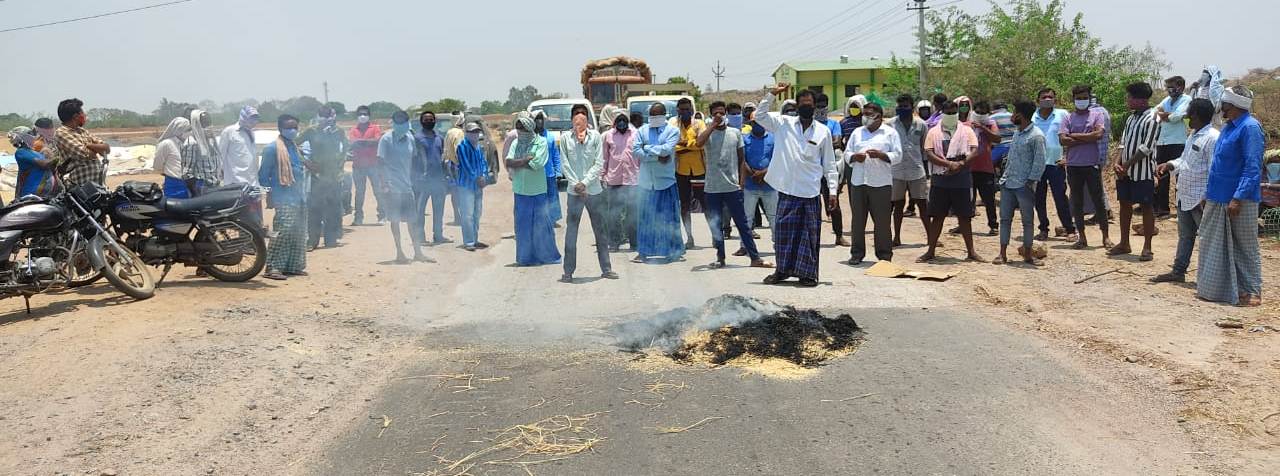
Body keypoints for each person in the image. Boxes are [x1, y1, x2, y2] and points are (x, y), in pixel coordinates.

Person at [755, 84, 836, 287]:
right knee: (783, 234)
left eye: (810, 104)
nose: (806, 107)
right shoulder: (783, 124)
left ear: (815, 106)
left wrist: (833, 191)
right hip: (787, 190)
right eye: (803, 104)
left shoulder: (823, 132)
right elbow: (759, 115)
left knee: (808, 236)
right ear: (797, 106)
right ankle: (782, 271)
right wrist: (772, 93)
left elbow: (830, 164)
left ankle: (807, 274)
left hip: (810, 191)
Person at [1196, 86, 1264, 306]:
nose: (1221, 109)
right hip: (1217, 195)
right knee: (1212, 243)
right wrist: (1208, 192)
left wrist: (1238, 197)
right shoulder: (1227, 128)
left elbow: (1252, 166)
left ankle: (1252, 292)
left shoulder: (1250, 128)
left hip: (1239, 199)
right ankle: (1216, 289)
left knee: (1244, 246)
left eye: (1224, 105)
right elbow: (1217, 164)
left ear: (1233, 105)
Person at [695, 101, 772, 269]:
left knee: (743, 224)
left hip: (732, 187)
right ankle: (720, 257)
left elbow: (741, 159)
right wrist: (712, 126)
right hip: (713, 188)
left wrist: (742, 183)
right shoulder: (707, 133)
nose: (719, 116)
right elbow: (698, 143)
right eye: (715, 113)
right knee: (716, 225)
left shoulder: (735, 133)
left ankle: (754, 257)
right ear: (711, 115)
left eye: (722, 113)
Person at [1151, 99, 1218, 283]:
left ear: (1196, 114)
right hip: (1185, 194)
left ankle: (1209, 278)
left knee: (1207, 239)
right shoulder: (1193, 135)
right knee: (1186, 236)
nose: (1187, 116)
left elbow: (1214, 169)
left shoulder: (1213, 137)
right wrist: (1170, 164)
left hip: (1200, 198)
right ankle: (1178, 271)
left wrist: (1207, 195)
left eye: (1190, 112)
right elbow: (1185, 160)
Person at [837, 102, 902, 265]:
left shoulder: (890, 133)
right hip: (859, 181)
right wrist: (854, 157)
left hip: (881, 183)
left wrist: (882, 155)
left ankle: (884, 255)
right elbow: (847, 153)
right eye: (863, 114)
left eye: (869, 114)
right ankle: (857, 254)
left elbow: (898, 155)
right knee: (858, 220)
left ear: (879, 116)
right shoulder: (857, 133)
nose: (865, 117)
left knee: (882, 221)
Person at [918, 100, 983, 263]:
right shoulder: (933, 132)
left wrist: (960, 164)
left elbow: (975, 150)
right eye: (948, 112)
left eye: (954, 112)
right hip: (940, 179)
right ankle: (931, 250)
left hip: (962, 178)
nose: (951, 115)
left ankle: (971, 252)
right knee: (937, 216)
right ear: (942, 113)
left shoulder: (966, 131)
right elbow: (929, 152)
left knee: (965, 217)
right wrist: (948, 164)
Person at [558, 105, 616, 281]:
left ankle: (606, 269)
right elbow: (564, 164)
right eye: (576, 114)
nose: (580, 117)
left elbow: (599, 163)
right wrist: (577, 184)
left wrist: (585, 183)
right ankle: (568, 272)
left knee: (600, 231)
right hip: (574, 192)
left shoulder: (596, 137)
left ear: (587, 119)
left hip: (594, 191)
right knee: (571, 232)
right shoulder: (566, 139)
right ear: (572, 119)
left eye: (583, 114)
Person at [1109, 82, 1161, 262]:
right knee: (1124, 204)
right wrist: (1117, 162)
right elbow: (1123, 143)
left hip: (1143, 172)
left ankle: (1147, 247)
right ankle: (1124, 243)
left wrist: (1127, 165)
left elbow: (1147, 147)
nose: (1127, 100)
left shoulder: (1153, 118)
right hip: (1125, 172)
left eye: (1130, 97)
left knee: (1146, 206)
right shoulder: (1131, 118)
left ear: (1140, 99)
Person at [993, 101, 1048, 266]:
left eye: (1014, 112)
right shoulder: (1017, 133)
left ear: (1021, 115)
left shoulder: (1036, 136)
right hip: (1008, 182)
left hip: (1024, 185)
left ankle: (1028, 254)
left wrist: (1030, 182)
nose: (1011, 116)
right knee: (1005, 220)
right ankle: (1002, 254)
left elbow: (1039, 162)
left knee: (1027, 221)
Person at [1059, 85, 1111, 249]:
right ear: (1073, 99)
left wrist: (1073, 136)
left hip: (1092, 164)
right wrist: (1087, 137)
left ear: (1090, 98)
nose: (1082, 100)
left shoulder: (1097, 115)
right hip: (1074, 165)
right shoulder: (1068, 117)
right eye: (1079, 98)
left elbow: (1098, 135)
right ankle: (1082, 237)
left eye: (1084, 97)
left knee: (1098, 201)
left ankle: (1106, 237)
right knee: (1077, 202)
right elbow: (1062, 140)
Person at [631, 103, 684, 263]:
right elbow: (636, 151)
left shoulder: (672, 131)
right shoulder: (642, 130)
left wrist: (647, 148)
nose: (654, 118)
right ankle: (644, 252)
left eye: (657, 115)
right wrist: (655, 155)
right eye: (651, 115)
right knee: (645, 219)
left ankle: (672, 251)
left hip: (666, 182)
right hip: (646, 183)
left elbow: (667, 150)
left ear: (664, 115)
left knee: (669, 218)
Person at [259, 115, 309, 280]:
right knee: (283, 232)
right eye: (289, 127)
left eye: (295, 127)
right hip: (283, 197)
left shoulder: (295, 147)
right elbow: (263, 176)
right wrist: (269, 194)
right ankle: (273, 267)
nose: (293, 130)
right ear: (280, 129)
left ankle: (293, 266)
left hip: (299, 197)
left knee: (298, 232)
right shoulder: (272, 149)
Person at [507, 112, 561, 266]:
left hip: (538, 191)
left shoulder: (542, 142)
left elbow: (537, 164)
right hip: (520, 191)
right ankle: (525, 258)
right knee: (522, 226)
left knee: (541, 225)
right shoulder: (515, 143)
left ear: (529, 129)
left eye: (522, 129)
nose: (519, 132)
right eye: (517, 129)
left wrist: (519, 162)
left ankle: (546, 256)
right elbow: (509, 162)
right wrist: (525, 160)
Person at [379, 111, 433, 264]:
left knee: (412, 220)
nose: (401, 125)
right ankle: (399, 253)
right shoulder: (386, 140)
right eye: (398, 122)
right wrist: (384, 184)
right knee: (395, 221)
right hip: (392, 188)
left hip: (407, 186)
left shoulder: (410, 138)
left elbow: (414, 160)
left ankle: (418, 253)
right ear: (394, 123)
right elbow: (380, 163)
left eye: (404, 122)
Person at [300, 106, 348, 249]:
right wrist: (306, 162)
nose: (325, 118)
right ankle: (312, 241)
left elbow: (346, 146)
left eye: (328, 116)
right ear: (318, 116)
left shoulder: (338, 131)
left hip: (334, 176)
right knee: (315, 209)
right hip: (317, 176)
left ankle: (331, 239)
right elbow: (293, 144)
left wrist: (340, 162)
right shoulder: (311, 130)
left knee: (333, 208)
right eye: (322, 115)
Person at [1030, 88, 1074, 241]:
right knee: (1039, 199)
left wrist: (1068, 157)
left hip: (1056, 163)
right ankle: (1043, 229)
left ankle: (1069, 229)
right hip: (1036, 164)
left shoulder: (1063, 114)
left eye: (1050, 97)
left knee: (1060, 197)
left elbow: (1072, 136)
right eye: (1044, 97)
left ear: (1055, 99)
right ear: (1038, 100)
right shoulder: (1032, 116)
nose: (1047, 99)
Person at [890, 94, 930, 247]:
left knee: (922, 205)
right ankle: (897, 237)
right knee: (898, 206)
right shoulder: (890, 125)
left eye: (905, 106)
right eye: (899, 106)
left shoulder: (921, 125)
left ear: (912, 107)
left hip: (916, 170)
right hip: (896, 171)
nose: (902, 109)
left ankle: (930, 237)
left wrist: (927, 172)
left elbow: (925, 149)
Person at [959, 97, 1000, 236]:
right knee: (966, 199)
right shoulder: (966, 125)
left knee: (988, 199)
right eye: (977, 111)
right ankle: (963, 225)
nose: (980, 113)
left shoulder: (990, 124)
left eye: (983, 112)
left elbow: (997, 138)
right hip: (968, 167)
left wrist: (983, 128)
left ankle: (993, 225)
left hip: (985, 167)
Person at [1151, 76, 1192, 218]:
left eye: (1171, 86)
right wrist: (1165, 115)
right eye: (1167, 87)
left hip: (1178, 142)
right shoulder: (1167, 100)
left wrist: (1164, 115)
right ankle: (1163, 208)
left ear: (1180, 87)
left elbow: (1176, 117)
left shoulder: (1186, 99)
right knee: (1162, 175)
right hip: (1162, 142)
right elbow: (1153, 113)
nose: (1169, 90)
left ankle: (1182, 208)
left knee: (1181, 176)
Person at [602, 105, 640, 252]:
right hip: (614, 180)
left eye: (624, 119)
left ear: (627, 119)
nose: (621, 122)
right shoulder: (608, 135)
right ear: (614, 121)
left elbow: (640, 157)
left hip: (633, 180)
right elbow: (604, 158)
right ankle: (614, 243)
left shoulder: (636, 134)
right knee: (613, 214)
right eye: (619, 120)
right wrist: (602, 176)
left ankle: (634, 243)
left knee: (633, 214)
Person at [412, 111, 453, 246]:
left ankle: (438, 235)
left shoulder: (439, 138)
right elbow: (413, 160)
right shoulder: (417, 138)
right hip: (422, 181)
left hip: (438, 180)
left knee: (439, 210)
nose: (429, 121)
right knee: (420, 211)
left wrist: (446, 176)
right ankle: (420, 238)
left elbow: (443, 158)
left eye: (431, 119)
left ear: (434, 121)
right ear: (421, 121)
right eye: (426, 119)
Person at [670, 98, 706, 248]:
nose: (685, 112)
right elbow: (672, 145)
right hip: (680, 171)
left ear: (691, 109)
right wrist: (692, 144)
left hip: (699, 170)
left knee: (705, 203)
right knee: (684, 205)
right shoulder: (672, 124)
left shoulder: (699, 123)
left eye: (687, 109)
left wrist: (685, 144)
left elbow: (701, 143)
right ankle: (689, 237)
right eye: (682, 109)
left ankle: (715, 236)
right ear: (677, 110)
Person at [52, 98, 110, 188]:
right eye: (82, 113)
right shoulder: (61, 133)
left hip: (97, 185)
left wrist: (88, 145)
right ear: (75, 116)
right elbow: (85, 153)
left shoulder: (82, 131)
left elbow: (106, 148)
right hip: (79, 187)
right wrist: (97, 149)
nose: (84, 116)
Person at [741, 112, 778, 251]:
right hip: (750, 185)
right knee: (747, 217)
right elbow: (742, 160)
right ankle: (744, 246)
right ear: (751, 124)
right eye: (756, 122)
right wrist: (753, 174)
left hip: (770, 184)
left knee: (774, 217)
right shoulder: (744, 139)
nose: (759, 125)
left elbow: (777, 159)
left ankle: (778, 245)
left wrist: (763, 173)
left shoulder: (773, 139)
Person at [219, 106, 262, 225]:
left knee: (257, 223)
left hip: (253, 185)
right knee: (242, 222)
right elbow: (220, 156)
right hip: (237, 185)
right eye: (251, 118)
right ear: (243, 117)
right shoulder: (229, 132)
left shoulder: (251, 133)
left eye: (256, 118)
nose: (254, 121)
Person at [454, 122, 490, 252]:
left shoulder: (478, 147)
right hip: (466, 186)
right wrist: (477, 178)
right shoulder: (462, 147)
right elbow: (466, 165)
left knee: (477, 214)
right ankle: (468, 242)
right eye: (472, 132)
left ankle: (475, 239)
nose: (475, 134)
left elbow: (484, 163)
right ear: (466, 133)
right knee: (467, 215)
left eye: (477, 131)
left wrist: (484, 175)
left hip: (478, 185)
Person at [818, 93, 847, 247]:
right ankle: (814, 236)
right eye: (819, 104)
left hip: (830, 167)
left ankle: (839, 235)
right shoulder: (810, 124)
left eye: (824, 104)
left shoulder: (833, 124)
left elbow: (837, 142)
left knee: (834, 202)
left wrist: (819, 144)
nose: (821, 107)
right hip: (814, 170)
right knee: (815, 204)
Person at [348, 105, 385, 226]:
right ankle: (358, 218)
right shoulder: (353, 130)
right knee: (359, 193)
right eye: (360, 114)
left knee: (378, 191)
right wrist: (368, 142)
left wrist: (361, 142)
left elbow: (377, 141)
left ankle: (382, 216)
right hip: (358, 166)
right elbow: (353, 144)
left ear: (369, 115)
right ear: (357, 116)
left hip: (373, 165)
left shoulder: (375, 128)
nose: (362, 116)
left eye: (365, 114)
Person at [533, 110, 563, 227]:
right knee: (539, 198)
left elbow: (556, 155)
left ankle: (553, 218)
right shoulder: (531, 137)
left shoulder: (550, 137)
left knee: (552, 196)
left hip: (549, 173)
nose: (539, 121)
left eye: (541, 119)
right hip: (535, 174)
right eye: (537, 119)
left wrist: (558, 171)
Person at [182, 109, 222, 196]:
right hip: (203, 190)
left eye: (209, 123)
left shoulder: (211, 142)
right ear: (196, 125)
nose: (209, 127)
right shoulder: (192, 142)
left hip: (215, 187)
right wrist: (196, 192)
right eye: (204, 125)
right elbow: (187, 173)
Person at [8, 127, 55, 199]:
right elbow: (44, 164)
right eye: (30, 134)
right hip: (33, 193)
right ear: (22, 137)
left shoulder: (35, 152)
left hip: (44, 194)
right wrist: (56, 157)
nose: (33, 136)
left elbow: (50, 167)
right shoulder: (21, 152)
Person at [154, 117, 193, 198]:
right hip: (174, 185)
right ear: (179, 131)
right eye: (187, 130)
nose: (190, 132)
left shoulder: (189, 143)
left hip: (190, 184)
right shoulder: (166, 144)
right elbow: (158, 165)